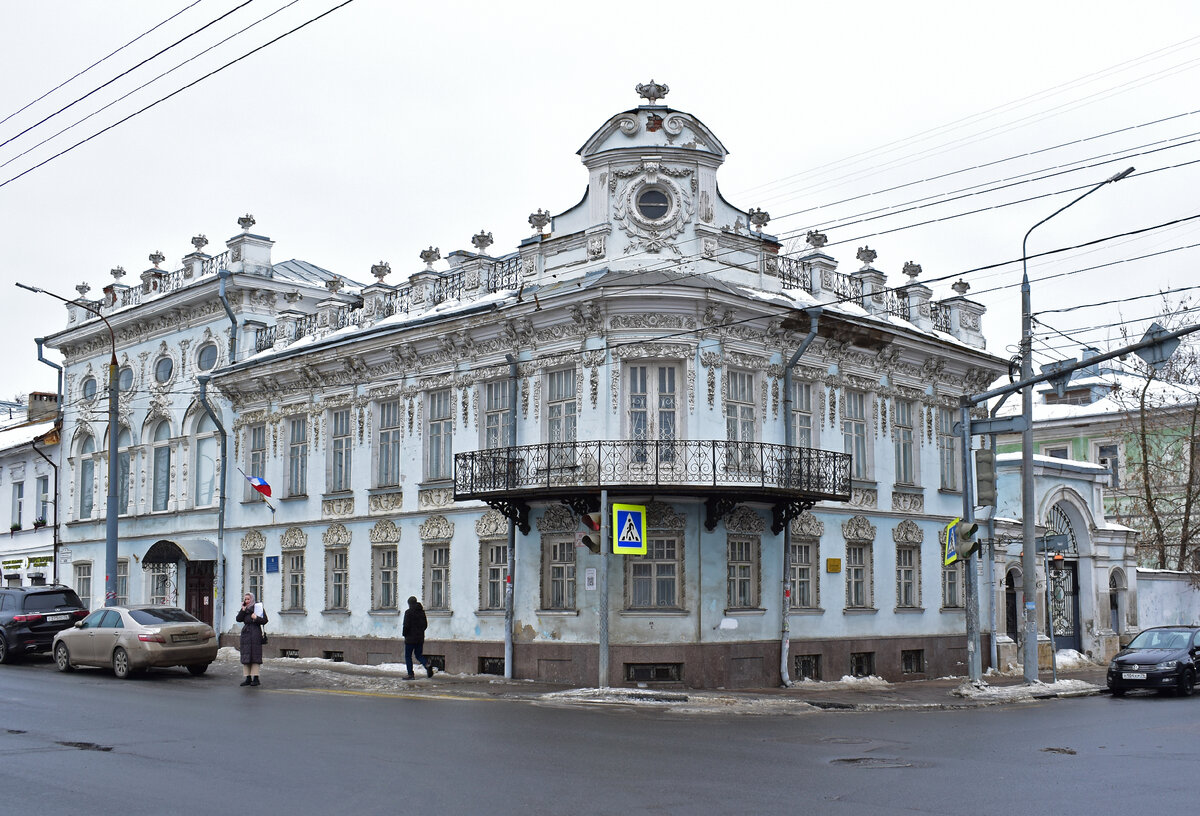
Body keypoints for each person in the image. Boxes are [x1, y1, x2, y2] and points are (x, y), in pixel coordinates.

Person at [235, 592, 267, 687]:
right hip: (246, 634)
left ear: (252, 599)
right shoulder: (245, 609)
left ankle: (256, 678)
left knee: (255, 656)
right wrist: (243, 610)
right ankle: (247, 678)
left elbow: (265, 620)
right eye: (245, 599)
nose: (247, 601)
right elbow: (238, 619)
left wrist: (256, 618)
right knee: (246, 655)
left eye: (248, 599)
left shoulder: (258, 608)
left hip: (255, 633)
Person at [402, 595, 434, 679]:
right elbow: (425, 625)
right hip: (420, 638)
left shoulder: (408, 612)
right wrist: (420, 632)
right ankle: (427, 664)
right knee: (418, 655)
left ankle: (410, 674)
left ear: (409, 604)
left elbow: (406, 626)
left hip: (410, 639)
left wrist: (405, 634)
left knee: (408, 656)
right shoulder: (421, 612)